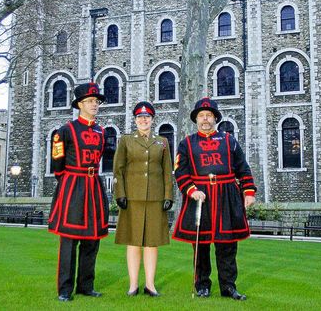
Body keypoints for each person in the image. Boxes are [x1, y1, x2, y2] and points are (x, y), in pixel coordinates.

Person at [172, 98, 256, 301]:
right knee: (200, 245)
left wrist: (249, 191)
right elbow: (180, 172)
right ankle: (202, 285)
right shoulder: (187, 144)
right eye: (201, 115)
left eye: (209, 115)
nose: (205, 119)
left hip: (227, 197)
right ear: (196, 119)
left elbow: (242, 167)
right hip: (201, 198)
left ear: (216, 118)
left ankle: (228, 286)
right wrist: (191, 190)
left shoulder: (229, 140)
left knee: (227, 245)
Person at [47, 82, 109, 302]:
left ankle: (86, 285)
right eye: (90, 101)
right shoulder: (65, 130)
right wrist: (68, 182)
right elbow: (57, 162)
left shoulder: (101, 132)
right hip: (73, 186)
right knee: (69, 241)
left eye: (97, 102)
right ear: (80, 104)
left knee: (93, 239)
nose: (95, 105)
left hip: (94, 187)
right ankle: (65, 289)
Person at [113, 101, 173, 298]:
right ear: (135, 120)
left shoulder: (162, 142)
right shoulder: (126, 141)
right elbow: (118, 169)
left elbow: (166, 172)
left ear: (152, 119)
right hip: (132, 198)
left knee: (151, 242)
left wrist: (168, 196)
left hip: (155, 198)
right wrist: (120, 193)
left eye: (147, 117)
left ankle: (150, 284)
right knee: (133, 241)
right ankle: (133, 285)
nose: (144, 120)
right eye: (140, 117)